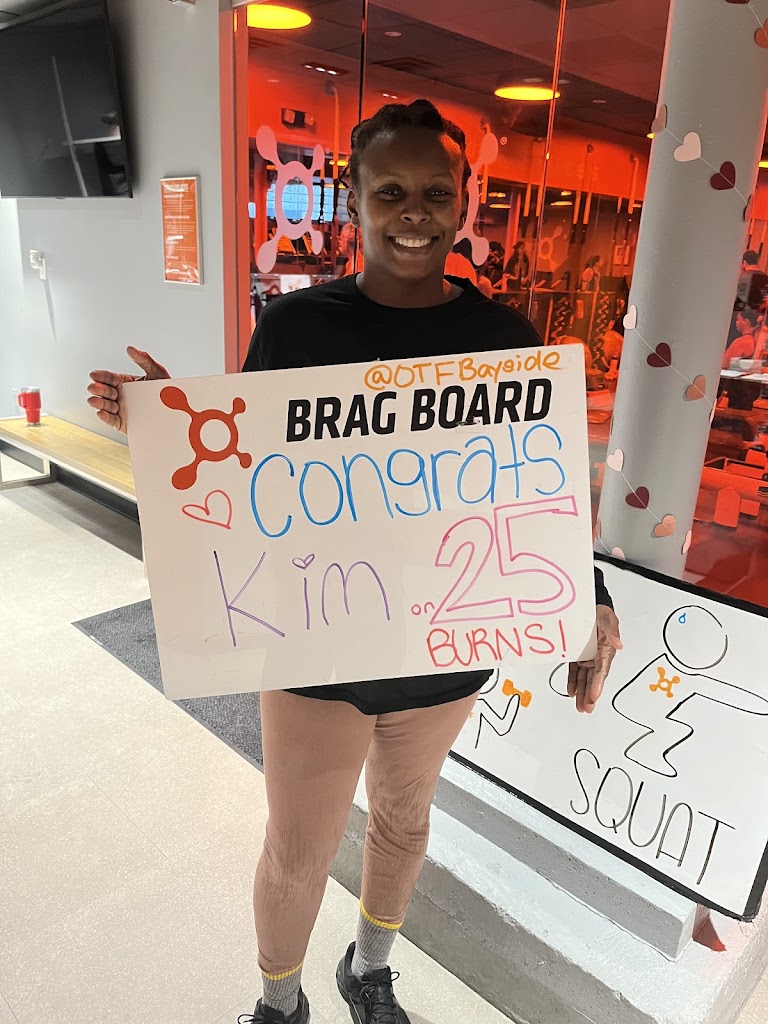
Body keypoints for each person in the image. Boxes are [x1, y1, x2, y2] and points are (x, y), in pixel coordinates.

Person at [87, 99, 622, 1024]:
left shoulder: (507, 341)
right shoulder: (297, 329)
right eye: (390, 191)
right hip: (319, 646)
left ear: (464, 201)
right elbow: (252, 472)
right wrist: (169, 423)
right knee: (299, 847)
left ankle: (368, 970)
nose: (414, 212)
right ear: (354, 200)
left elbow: (538, 492)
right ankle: (279, 1002)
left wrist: (593, 595)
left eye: (435, 192)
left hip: (443, 643)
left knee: (405, 821)